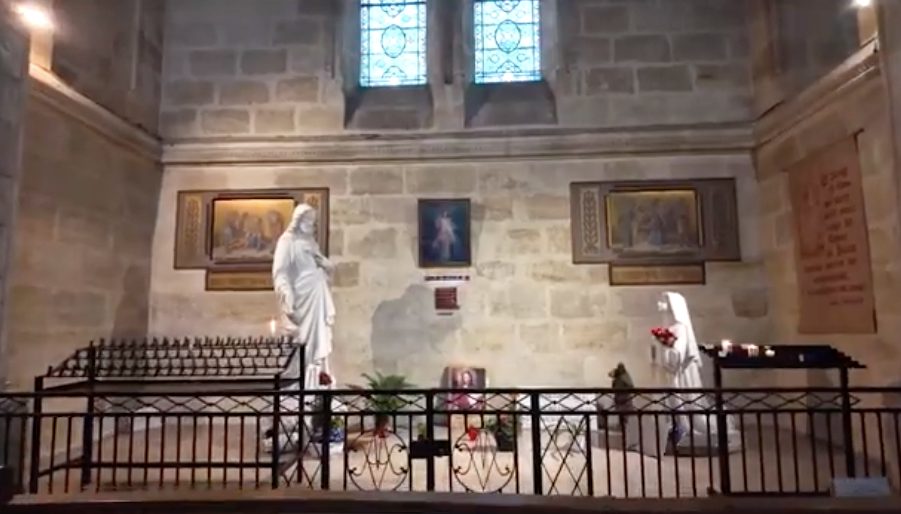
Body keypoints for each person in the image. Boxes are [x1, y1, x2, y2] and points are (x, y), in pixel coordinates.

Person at [265, 204, 336, 452]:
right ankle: (299, 390)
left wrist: (325, 266)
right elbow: (280, 273)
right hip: (301, 301)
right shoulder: (287, 242)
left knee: (319, 347)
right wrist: (286, 294)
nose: (312, 226)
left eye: (314, 222)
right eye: (308, 221)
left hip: (317, 298)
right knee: (301, 349)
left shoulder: (310, 242)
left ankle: (318, 384)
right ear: (298, 220)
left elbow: (322, 266)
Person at [652, 292, 739, 453]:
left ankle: (685, 430)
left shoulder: (681, 328)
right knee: (673, 402)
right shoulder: (669, 329)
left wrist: (666, 348)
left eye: (663, 302)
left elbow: (679, 353)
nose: (659, 305)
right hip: (671, 373)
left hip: (681, 374)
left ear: (673, 307)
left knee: (684, 402)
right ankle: (675, 430)